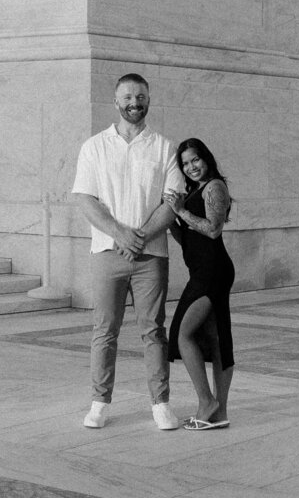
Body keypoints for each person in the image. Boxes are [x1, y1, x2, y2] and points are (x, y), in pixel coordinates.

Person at [71, 73, 185, 431]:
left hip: (151, 256)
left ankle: (161, 404)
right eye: (127, 97)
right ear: (116, 101)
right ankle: (99, 403)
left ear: (149, 99)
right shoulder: (94, 147)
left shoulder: (166, 148)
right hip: (107, 252)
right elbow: (85, 199)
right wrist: (120, 233)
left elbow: (173, 201)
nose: (134, 103)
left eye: (140, 96)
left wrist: (142, 235)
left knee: (154, 331)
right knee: (104, 331)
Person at [166, 137, 235, 429]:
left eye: (195, 159)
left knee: (182, 334)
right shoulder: (194, 190)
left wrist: (181, 212)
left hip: (213, 272)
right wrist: (172, 221)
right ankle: (219, 413)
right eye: (185, 163)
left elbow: (212, 230)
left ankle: (207, 402)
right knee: (217, 339)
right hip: (202, 270)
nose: (191, 167)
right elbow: (189, 239)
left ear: (205, 158)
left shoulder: (214, 187)